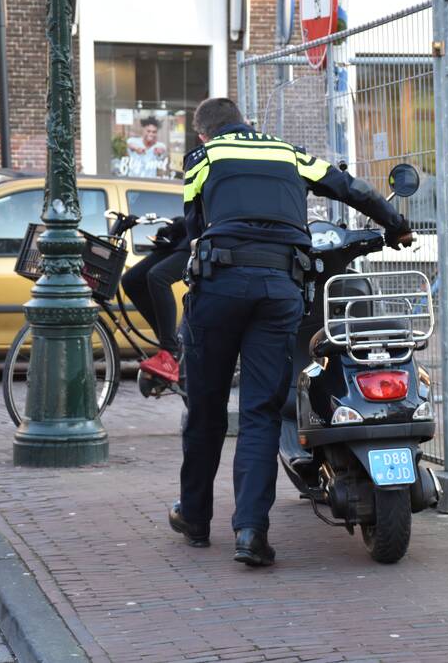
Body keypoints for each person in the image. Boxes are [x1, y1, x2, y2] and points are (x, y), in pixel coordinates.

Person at [168, 97, 413, 567]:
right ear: (247, 124)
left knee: (206, 409)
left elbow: (195, 227)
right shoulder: (286, 151)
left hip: (218, 289)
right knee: (260, 412)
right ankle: (250, 534)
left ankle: (196, 519)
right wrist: (396, 225)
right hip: (279, 289)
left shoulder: (203, 158)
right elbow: (351, 188)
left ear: (204, 134)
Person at [120, 215, 190, 382]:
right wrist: (178, 224)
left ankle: (170, 353)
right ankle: (170, 348)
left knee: (158, 276)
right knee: (131, 280)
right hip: (185, 236)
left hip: (203, 236)